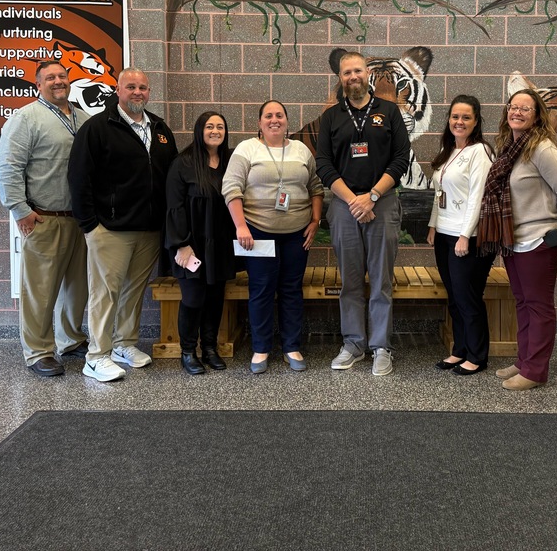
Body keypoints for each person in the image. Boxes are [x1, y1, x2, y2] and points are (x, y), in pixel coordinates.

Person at [68, 68, 179, 382]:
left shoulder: (159, 128)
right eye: (131, 87)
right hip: (109, 229)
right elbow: (79, 177)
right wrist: (90, 225)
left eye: (143, 87)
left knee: (133, 291)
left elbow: (171, 175)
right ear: (117, 90)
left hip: (149, 228)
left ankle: (123, 344)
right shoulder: (97, 128)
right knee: (105, 293)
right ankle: (96, 356)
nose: (137, 92)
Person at [316, 51, 411, 376]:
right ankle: (354, 344)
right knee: (351, 281)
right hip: (344, 207)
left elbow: (401, 158)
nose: (352, 76)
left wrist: (371, 197)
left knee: (381, 281)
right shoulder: (332, 117)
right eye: (346, 73)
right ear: (340, 78)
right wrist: (354, 201)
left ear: (367, 73)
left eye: (357, 70)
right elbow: (324, 164)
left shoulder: (389, 111)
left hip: (381, 203)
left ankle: (381, 346)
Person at [0, 61, 90, 377]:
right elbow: (8, 166)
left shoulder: (83, 118)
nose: (58, 81)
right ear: (38, 84)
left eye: (62, 76)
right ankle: (38, 351)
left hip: (80, 219)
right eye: (50, 78)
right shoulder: (26, 118)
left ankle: (71, 339)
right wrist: (19, 209)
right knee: (40, 290)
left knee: (77, 288)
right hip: (44, 218)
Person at [478, 89, 557, 392]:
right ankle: (524, 361)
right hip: (513, 238)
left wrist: (551, 217)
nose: (517, 112)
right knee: (522, 302)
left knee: (538, 306)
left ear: (536, 116)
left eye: (525, 108)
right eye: (513, 107)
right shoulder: (510, 149)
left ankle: (535, 370)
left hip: (540, 239)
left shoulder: (542, 149)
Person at [223, 101, 323, 374]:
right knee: (261, 290)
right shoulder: (247, 149)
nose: (274, 119)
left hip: (296, 235)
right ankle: (261, 348)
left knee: (291, 289)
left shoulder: (301, 150)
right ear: (259, 122)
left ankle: (291, 346)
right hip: (257, 233)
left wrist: (315, 221)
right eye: (268, 115)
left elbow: (315, 187)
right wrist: (241, 226)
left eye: (279, 115)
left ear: (287, 121)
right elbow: (231, 188)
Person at [426, 95, 496, 376]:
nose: (459, 122)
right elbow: (439, 194)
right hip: (444, 234)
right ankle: (460, 349)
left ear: (476, 121)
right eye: (455, 116)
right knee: (454, 296)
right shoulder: (448, 150)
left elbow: (478, 197)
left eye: (466, 117)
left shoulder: (480, 151)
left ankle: (477, 356)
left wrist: (465, 235)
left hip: (467, 236)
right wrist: (433, 225)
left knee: (468, 297)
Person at [165, 111, 237, 375]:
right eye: (209, 126)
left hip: (220, 244)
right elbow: (174, 207)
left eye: (220, 127)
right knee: (194, 298)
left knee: (216, 297)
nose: (215, 131)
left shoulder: (230, 162)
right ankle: (187, 352)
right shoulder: (182, 163)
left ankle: (209, 348)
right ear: (199, 130)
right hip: (191, 244)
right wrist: (182, 244)